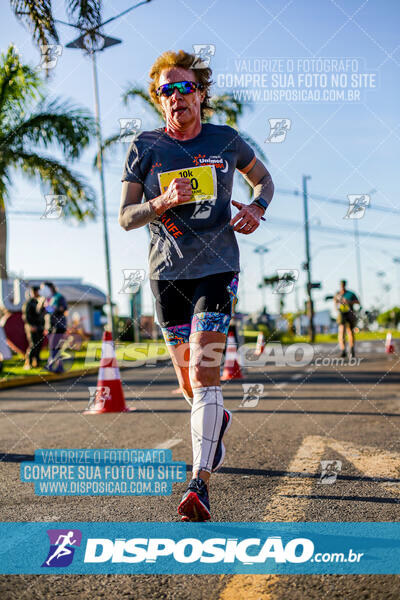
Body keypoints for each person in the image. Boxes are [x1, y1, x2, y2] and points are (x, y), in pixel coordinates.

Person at [119, 50, 274, 521]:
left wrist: (256, 208)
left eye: (184, 87)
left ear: (201, 94)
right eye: (166, 90)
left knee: (207, 374)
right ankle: (216, 421)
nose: (175, 97)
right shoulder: (144, 147)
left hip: (217, 269)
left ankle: (197, 484)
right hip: (167, 275)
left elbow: (263, 180)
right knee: (191, 386)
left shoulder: (226, 141)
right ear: (159, 99)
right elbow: (126, 218)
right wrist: (162, 201)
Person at [41, 282, 68, 374]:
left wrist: (52, 308)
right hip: (50, 326)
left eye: (44, 288)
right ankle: (58, 366)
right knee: (54, 347)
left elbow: (63, 308)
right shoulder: (47, 299)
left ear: (49, 288)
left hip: (59, 326)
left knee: (54, 346)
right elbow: (42, 311)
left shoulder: (58, 297)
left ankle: (52, 365)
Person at [334, 280, 360, 358]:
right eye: (341, 285)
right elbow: (335, 303)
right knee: (341, 331)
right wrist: (338, 303)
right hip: (341, 314)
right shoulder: (337, 294)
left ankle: (351, 350)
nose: (342, 286)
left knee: (350, 332)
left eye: (343, 285)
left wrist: (349, 301)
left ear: (345, 285)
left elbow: (358, 302)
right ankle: (343, 350)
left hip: (350, 313)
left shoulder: (351, 294)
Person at [22, 285, 45, 369]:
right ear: (33, 292)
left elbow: (42, 313)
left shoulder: (38, 302)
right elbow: (26, 316)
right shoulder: (28, 303)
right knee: (33, 344)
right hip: (31, 327)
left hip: (39, 327)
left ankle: (37, 362)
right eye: (37, 291)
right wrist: (31, 325)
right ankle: (28, 363)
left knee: (39, 345)